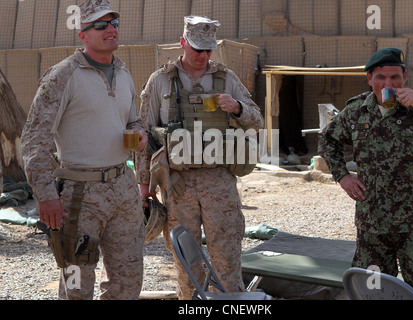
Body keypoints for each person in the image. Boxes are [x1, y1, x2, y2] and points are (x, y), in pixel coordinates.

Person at [21, 0, 147, 300]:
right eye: (101, 25)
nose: (111, 30)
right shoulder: (62, 76)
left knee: (127, 282)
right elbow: (34, 138)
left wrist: (140, 133)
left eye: (113, 23)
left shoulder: (124, 73)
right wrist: (46, 195)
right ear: (83, 35)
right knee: (77, 283)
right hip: (79, 195)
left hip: (122, 187)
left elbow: (134, 119)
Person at [134, 16, 264, 299]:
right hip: (177, 185)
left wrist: (238, 108)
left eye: (208, 50)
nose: (203, 56)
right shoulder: (160, 81)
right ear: (183, 43)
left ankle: (230, 304)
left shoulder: (226, 78)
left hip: (219, 181)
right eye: (197, 49)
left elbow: (258, 120)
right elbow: (143, 136)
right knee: (186, 264)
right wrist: (144, 188)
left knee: (227, 259)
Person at [320, 47, 413, 299]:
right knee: (373, 290)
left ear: (404, 78)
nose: (387, 83)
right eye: (381, 77)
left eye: (395, 77)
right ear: (370, 79)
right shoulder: (357, 111)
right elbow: (328, 140)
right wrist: (343, 176)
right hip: (372, 223)